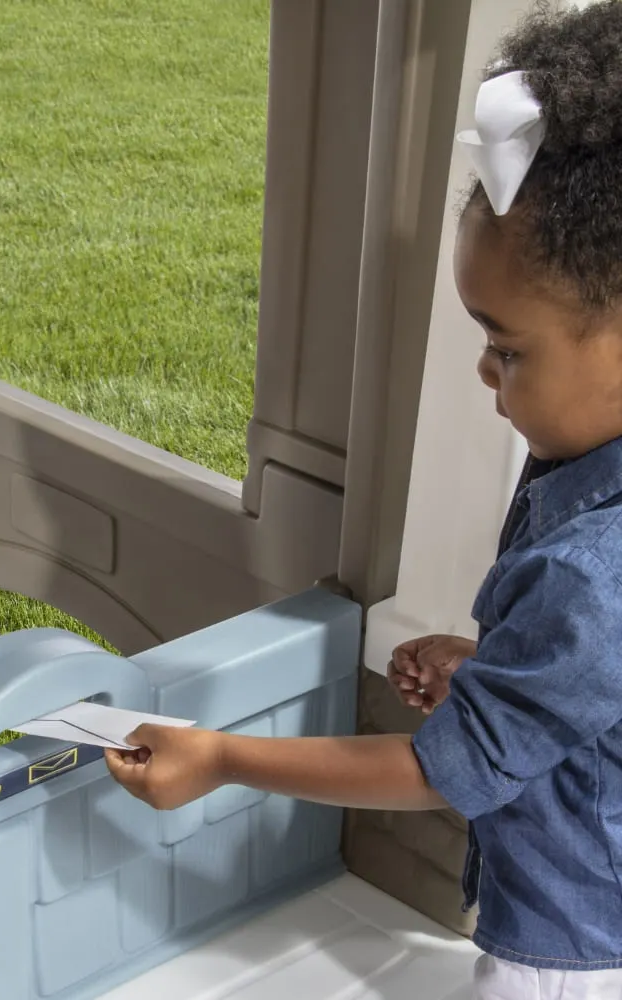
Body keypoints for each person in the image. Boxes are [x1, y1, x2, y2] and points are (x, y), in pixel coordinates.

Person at [106, 2, 622, 996]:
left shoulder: (586, 572)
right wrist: (500, 665)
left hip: (567, 947)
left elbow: (439, 771)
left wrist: (219, 755)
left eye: (507, 349)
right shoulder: (586, 499)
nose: (486, 372)